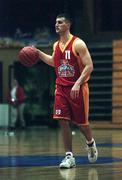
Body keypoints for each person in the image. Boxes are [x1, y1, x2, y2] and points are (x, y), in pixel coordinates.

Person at [37, 13, 98, 168]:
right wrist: (38, 53)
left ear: (68, 25)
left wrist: (78, 83)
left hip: (78, 88)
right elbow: (54, 62)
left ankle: (90, 143)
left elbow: (89, 66)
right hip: (61, 88)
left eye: (60, 22)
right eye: (56, 22)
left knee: (82, 124)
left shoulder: (78, 44)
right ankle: (69, 156)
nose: (56, 25)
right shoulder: (56, 45)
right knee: (62, 121)